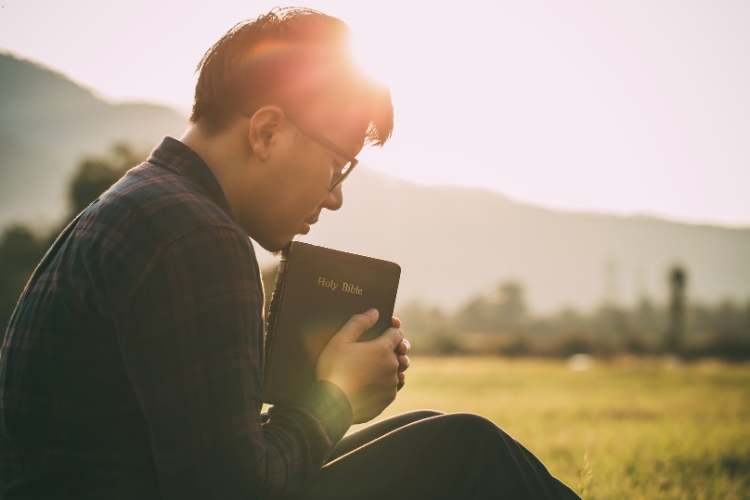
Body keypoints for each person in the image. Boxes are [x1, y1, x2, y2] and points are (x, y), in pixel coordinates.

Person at [0, 7, 580, 500]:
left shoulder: (147, 202)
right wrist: (332, 398)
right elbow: (234, 491)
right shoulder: (194, 234)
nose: (335, 197)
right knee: (463, 449)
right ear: (267, 132)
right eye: (337, 165)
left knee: (432, 428)